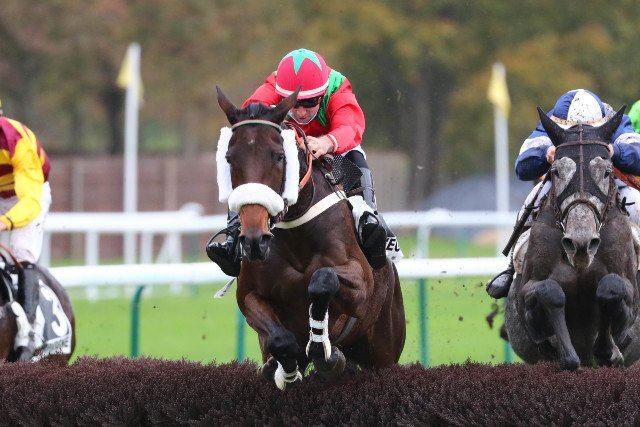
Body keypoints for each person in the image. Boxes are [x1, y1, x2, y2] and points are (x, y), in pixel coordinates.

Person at [207, 48, 403, 276]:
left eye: (309, 103)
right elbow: (249, 122)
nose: (300, 112)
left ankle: (368, 220)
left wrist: (327, 142)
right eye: (294, 104)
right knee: (250, 158)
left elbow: (351, 127)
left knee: (354, 157)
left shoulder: (338, 88)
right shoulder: (273, 86)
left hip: (334, 148)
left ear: (322, 93)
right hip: (291, 148)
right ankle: (233, 234)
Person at [486, 89, 640, 299]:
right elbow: (523, 166)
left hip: (608, 182)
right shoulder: (551, 122)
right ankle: (513, 270)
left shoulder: (614, 120)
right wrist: (544, 153)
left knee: (636, 204)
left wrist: (616, 151)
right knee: (531, 204)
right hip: (563, 184)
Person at [0, 99, 52, 360]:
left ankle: (28, 333)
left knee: (21, 250)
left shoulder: (16, 140)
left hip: (28, 194)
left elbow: (30, 201)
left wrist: (4, 222)